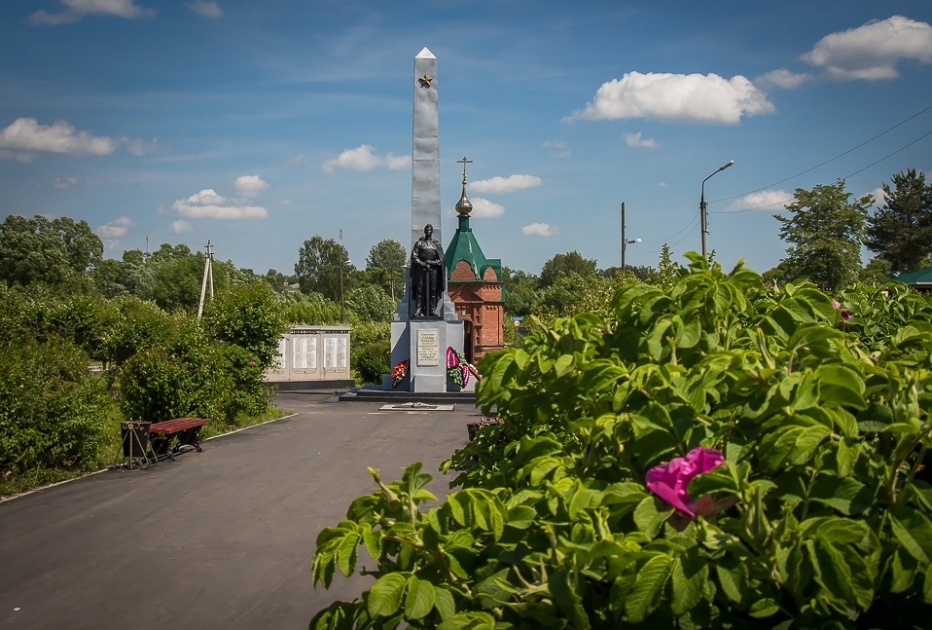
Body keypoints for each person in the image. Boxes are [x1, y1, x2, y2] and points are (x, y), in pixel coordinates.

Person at [410, 224, 444, 318]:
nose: (428, 231)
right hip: (421, 270)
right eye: (427, 230)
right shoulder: (419, 244)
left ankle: (431, 310)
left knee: (433, 290)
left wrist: (432, 263)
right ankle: (418, 310)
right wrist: (423, 264)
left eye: (430, 230)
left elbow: (441, 259)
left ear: (432, 232)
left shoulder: (436, 244)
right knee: (420, 290)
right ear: (424, 231)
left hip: (433, 271)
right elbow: (414, 257)